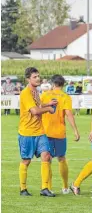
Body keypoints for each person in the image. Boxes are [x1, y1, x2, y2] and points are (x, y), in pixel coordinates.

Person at [18, 67, 56, 197]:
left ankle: (44, 188)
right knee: (26, 161)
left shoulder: (36, 92)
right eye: (35, 77)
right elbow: (34, 111)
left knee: (46, 156)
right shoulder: (26, 93)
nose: (38, 78)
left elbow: (38, 106)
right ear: (28, 79)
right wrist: (49, 110)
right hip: (27, 132)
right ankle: (23, 189)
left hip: (40, 131)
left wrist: (47, 104)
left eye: (38, 76)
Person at [40, 75, 80, 194]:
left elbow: (38, 109)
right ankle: (65, 187)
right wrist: (75, 131)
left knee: (47, 160)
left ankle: (48, 187)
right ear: (63, 85)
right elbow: (69, 114)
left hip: (45, 132)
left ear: (52, 84)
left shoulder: (45, 95)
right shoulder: (65, 97)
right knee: (61, 158)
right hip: (59, 133)